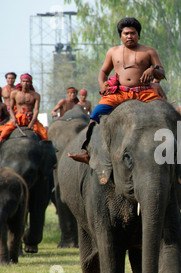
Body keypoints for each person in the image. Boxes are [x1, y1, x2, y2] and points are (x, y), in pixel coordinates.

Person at [68, 17, 165, 164]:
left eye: (133, 33)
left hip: (145, 92)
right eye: (126, 33)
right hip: (119, 93)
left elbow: (162, 73)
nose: (129, 36)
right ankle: (88, 152)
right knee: (96, 114)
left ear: (138, 35)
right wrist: (102, 84)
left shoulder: (149, 51)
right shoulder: (113, 52)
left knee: (167, 114)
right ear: (121, 35)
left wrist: (152, 70)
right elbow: (103, 72)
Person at [0, 73, 48, 143]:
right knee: (4, 133)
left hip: (30, 118)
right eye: (23, 81)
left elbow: (37, 110)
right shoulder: (14, 93)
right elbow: (10, 108)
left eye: (27, 81)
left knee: (44, 134)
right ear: (21, 82)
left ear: (30, 83)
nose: (25, 83)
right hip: (18, 118)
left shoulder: (36, 95)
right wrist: (13, 118)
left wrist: (32, 122)